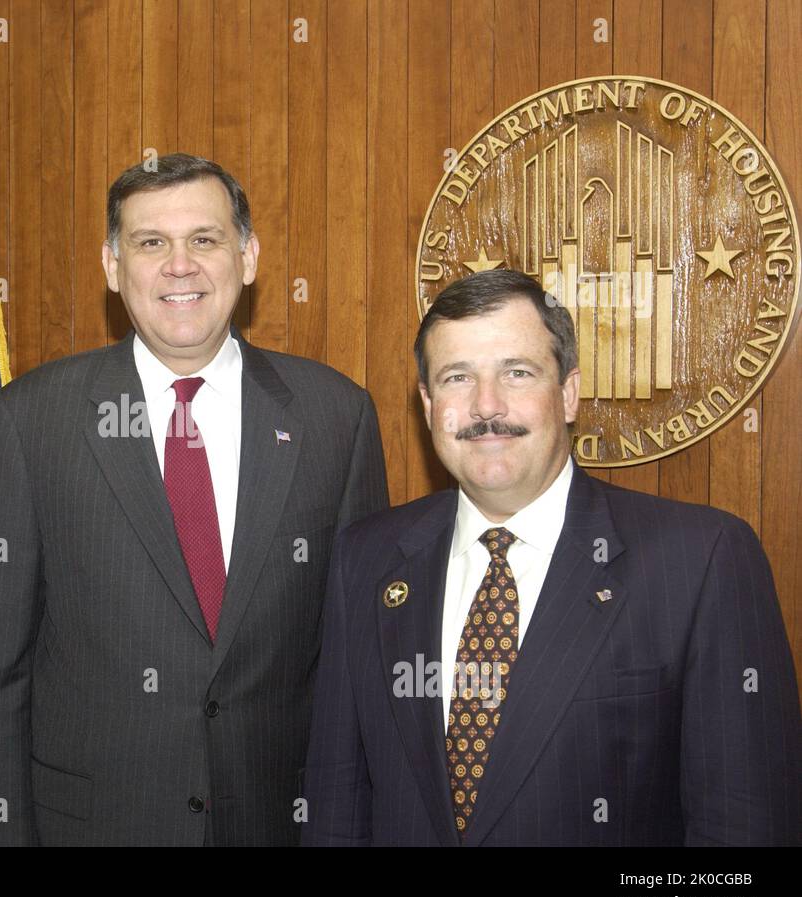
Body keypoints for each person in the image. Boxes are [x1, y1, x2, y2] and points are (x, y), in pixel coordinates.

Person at [0, 154, 389, 845]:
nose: (179, 265)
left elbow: (359, 667)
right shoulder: (32, 420)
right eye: (150, 242)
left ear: (247, 256)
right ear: (111, 265)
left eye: (204, 239)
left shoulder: (336, 417)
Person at [302, 268, 802, 846]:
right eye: (457, 377)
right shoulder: (364, 562)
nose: (486, 405)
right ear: (427, 403)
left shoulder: (701, 561)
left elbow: (743, 835)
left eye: (517, 372)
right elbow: (336, 803)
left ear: (567, 393)